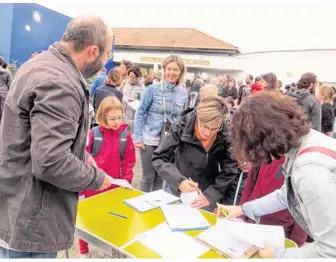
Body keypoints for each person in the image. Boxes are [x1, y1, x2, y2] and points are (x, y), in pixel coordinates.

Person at [0, 16, 117, 259]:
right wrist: (97, 177)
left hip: (15, 206)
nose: (106, 62)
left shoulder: (40, 64)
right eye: (107, 54)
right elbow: (51, 161)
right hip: (31, 222)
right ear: (93, 50)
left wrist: (81, 155)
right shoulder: (60, 82)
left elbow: (37, 134)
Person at [218, 91, 336, 258]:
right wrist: (243, 209)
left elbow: (329, 251)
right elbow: (286, 194)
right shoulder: (305, 142)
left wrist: (278, 254)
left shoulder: (309, 171)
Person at [152, 95, 239, 211]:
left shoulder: (226, 133)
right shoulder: (181, 126)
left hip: (207, 193)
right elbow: (159, 157)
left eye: (214, 128)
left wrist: (212, 194)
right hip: (179, 189)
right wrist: (179, 181)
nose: (208, 133)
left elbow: (230, 169)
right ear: (198, 116)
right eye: (205, 126)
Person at [78, 96, 135, 258]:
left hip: (114, 188)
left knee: (110, 219)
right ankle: (84, 251)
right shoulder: (92, 134)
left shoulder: (125, 136)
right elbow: (82, 158)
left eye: (119, 117)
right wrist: (82, 187)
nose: (117, 122)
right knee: (86, 219)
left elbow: (129, 162)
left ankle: (106, 247)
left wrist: (126, 181)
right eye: (112, 118)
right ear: (102, 117)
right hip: (92, 187)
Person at [134, 55, 188, 193]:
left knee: (160, 177)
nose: (171, 72)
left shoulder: (183, 93)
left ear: (181, 72)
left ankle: (154, 206)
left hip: (169, 140)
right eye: (168, 69)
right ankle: (142, 204)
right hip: (149, 138)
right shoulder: (152, 89)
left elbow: (184, 118)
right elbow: (140, 112)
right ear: (164, 70)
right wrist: (138, 137)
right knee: (148, 177)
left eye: (175, 69)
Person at [239, 156, 307, 247]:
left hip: (280, 233)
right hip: (251, 224)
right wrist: (241, 215)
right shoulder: (262, 151)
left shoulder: (301, 161)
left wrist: (297, 240)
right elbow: (249, 185)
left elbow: (305, 207)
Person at [0, 58, 12, 122]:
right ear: (2, 63)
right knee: (3, 110)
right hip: (4, 93)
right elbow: (11, 85)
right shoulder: (7, 72)